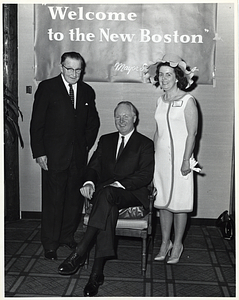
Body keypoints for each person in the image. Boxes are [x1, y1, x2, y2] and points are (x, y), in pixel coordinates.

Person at [58, 101, 154, 297]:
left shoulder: (145, 143)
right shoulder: (106, 140)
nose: (121, 120)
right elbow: (93, 166)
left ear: (135, 118)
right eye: (118, 116)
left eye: (126, 116)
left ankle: (81, 250)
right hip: (107, 196)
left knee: (107, 194)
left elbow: (145, 175)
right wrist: (89, 183)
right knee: (107, 202)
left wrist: (118, 185)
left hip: (131, 193)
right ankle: (96, 274)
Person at [30, 51, 100, 261]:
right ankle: (50, 244)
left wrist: (84, 145)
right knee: (53, 201)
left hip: (77, 157)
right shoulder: (47, 87)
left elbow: (93, 123)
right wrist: (40, 152)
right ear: (61, 67)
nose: (74, 73)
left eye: (78, 70)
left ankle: (66, 236)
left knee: (73, 200)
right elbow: (37, 124)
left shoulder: (87, 91)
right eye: (69, 69)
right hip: (53, 157)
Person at [152, 53, 199, 264]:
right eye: (161, 75)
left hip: (182, 160)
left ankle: (177, 243)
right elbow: (158, 132)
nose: (164, 79)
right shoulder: (160, 101)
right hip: (161, 160)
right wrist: (153, 157)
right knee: (162, 203)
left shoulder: (188, 100)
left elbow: (192, 133)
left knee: (179, 203)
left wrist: (186, 160)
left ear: (177, 76)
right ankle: (165, 242)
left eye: (168, 74)